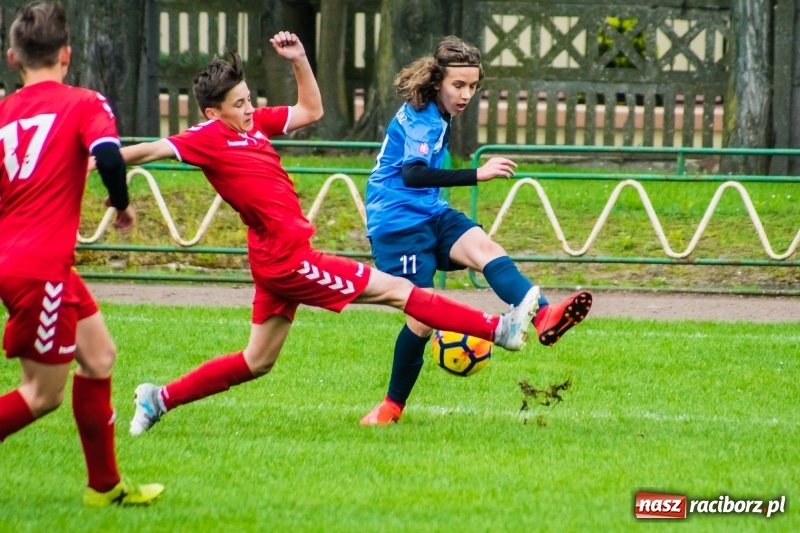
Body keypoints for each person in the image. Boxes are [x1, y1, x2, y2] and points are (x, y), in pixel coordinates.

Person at [120, 32, 540, 436]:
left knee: (256, 361)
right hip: (291, 262)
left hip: (274, 256)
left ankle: (158, 399)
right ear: (213, 113)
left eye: (250, 99)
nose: (250, 109)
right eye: (239, 104)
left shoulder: (253, 127)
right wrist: (88, 159)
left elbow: (309, 111)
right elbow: (144, 152)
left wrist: (300, 60)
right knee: (400, 292)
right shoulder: (206, 138)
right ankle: (496, 330)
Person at [360, 35, 593, 425]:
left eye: (473, 85)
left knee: (485, 247)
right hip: (397, 223)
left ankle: (545, 317)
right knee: (422, 316)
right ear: (437, 82)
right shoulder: (421, 117)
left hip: (430, 211)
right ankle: (391, 407)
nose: (466, 93)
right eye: (458, 85)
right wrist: (477, 174)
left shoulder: (440, 111)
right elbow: (412, 173)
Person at [0, 1, 163, 506]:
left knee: (99, 357)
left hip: (22, 260)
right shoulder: (84, 101)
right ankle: (105, 487)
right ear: (67, 55)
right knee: (41, 394)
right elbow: (109, 155)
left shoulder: (4, 113)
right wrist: (120, 205)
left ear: (13, 58)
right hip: (41, 266)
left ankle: (105, 488)